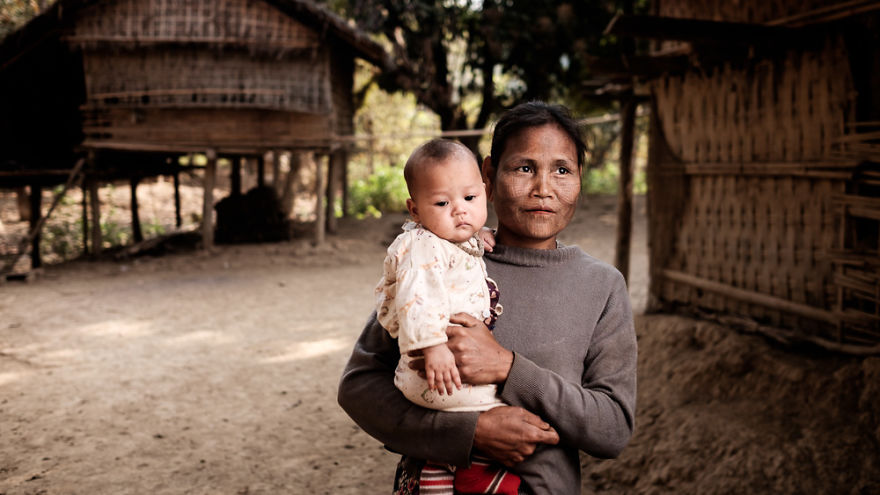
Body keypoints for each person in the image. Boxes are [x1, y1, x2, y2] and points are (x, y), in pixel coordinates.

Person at [338, 101, 637, 494]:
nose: (543, 189)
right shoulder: (439, 259)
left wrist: (509, 368)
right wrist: (469, 432)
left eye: (562, 170)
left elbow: (612, 428)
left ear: (580, 179)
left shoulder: (601, 287)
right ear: (489, 177)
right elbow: (359, 387)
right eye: (524, 168)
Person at [375, 138, 518, 493]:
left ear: (485, 192)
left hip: (437, 376)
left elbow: (455, 260)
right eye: (442, 203)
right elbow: (416, 296)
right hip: (438, 371)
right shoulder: (421, 245)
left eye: (470, 199)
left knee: (447, 450)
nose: (460, 211)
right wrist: (433, 346)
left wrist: (474, 238)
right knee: (507, 416)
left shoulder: (448, 240)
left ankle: (435, 478)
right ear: (415, 210)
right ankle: (482, 477)